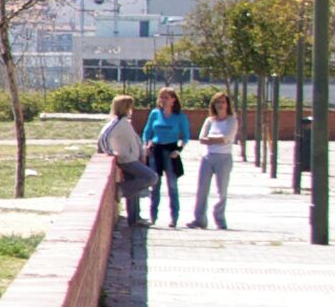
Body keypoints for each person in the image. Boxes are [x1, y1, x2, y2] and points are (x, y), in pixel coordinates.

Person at [98, 94, 151, 229]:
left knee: (134, 192)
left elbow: (135, 139)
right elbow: (104, 137)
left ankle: (134, 219)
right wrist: (109, 152)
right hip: (127, 160)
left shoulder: (125, 122)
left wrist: (142, 152)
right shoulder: (117, 122)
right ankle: (121, 189)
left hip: (133, 158)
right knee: (151, 177)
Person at [143, 86, 192, 226]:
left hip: (171, 152)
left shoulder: (180, 116)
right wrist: (146, 145)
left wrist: (179, 150)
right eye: (161, 97)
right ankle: (153, 217)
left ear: (173, 100)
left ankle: (174, 218)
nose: (163, 100)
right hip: (156, 151)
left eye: (166, 97)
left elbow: (186, 136)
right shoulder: (155, 114)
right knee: (155, 186)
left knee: (172, 186)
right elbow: (147, 132)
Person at [193, 90, 238, 229]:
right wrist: (215, 140)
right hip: (208, 157)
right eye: (218, 102)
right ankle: (199, 219)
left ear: (227, 105)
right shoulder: (209, 120)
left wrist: (212, 139)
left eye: (223, 102)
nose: (220, 105)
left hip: (224, 158)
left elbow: (226, 138)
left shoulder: (231, 120)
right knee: (202, 189)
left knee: (222, 190)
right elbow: (201, 138)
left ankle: (220, 219)